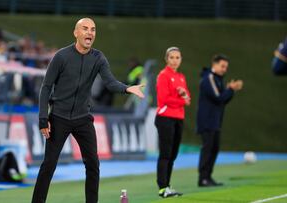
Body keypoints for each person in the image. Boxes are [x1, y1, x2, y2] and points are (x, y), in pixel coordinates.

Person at [32, 18, 144, 203]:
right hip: (58, 117)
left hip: (83, 118)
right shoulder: (61, 56)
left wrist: (127, 88)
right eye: (85, 29)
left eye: (93, 29)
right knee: (49, 165)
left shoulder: (98, 58)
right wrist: (44, 118)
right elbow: (46, 87)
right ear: (76, 33)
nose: (90, 33)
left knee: (93, 164)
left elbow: (110, 82)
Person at [197, 54, 243, 187]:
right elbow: (219, 98)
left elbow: (223, 100)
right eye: (222, 66)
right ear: (214, 64)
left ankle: (208, 177)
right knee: (208, 149)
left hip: (215, 121)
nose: (224, 69)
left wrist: (231, 90)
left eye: (226, 67)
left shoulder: (217, 79)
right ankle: (203, 178)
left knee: (214, 149)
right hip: (207, 121)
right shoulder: (209, 78)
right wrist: (230, 89)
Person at [155, 47, 190, 198]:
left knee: (173, 154)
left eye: (178, 57)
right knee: (165, 154)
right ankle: (162, 187)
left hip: (178, 118)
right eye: (172, 57)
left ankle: (167, 186)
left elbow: (188, 97)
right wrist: (182, 100)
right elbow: (164, 99)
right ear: (166, 59)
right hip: (165, 118)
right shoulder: (163, 76)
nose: (175, 60)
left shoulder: (181, 77)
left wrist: (183, 96)